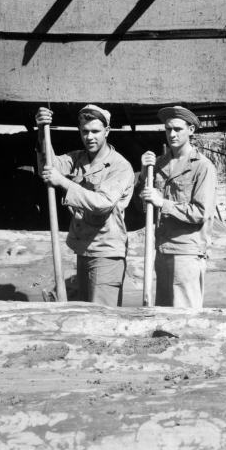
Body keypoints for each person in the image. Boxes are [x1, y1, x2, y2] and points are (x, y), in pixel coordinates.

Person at [36, 105, 135, 306]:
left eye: (96, 131)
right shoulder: (78, 158)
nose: (90, 137)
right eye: (85, 131)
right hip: (84, 250)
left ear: (107, 131)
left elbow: (103, 202)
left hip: (107, 254)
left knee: (103, 319)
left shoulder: (121, 168)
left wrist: (63, 182)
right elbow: (49, 167)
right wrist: (41, 132)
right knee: (86, 315)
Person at [134, 106, 217, 308]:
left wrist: (162, 202)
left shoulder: (202, 167)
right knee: (163, 318)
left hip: (187, 252)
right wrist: (144, 175)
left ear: (191, 130)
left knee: (185, 319)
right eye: (168, 129)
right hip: (162, 250)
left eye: (178, 129)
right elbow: (140, 207)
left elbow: (200, 213)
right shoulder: (158, 164)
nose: (172, 134)